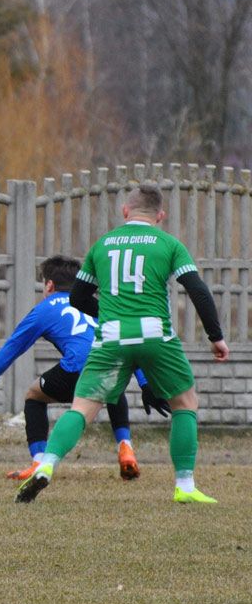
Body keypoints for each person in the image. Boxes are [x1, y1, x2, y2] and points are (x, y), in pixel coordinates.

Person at [16, 184, 230, 504]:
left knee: (82, 409)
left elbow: (77, 297)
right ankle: (185, 486)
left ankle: (46, 464)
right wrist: (216, 337)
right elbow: (197, 289)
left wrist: (108, 316)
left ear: (125, 211)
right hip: (155, 336)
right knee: (185, 404)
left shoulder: (102, 245)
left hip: (111, 337)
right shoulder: (169, 244)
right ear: (160, 216)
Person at [0, 255, 170, 481]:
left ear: (49, 285)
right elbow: (126, 341)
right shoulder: (99, 305)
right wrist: (146, 384)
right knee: (111, 387)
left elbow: (5, 356)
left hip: (78, 368)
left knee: (34, 395)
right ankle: (125, 447)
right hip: (115, 364)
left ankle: (39, 461)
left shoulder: (44, 309)